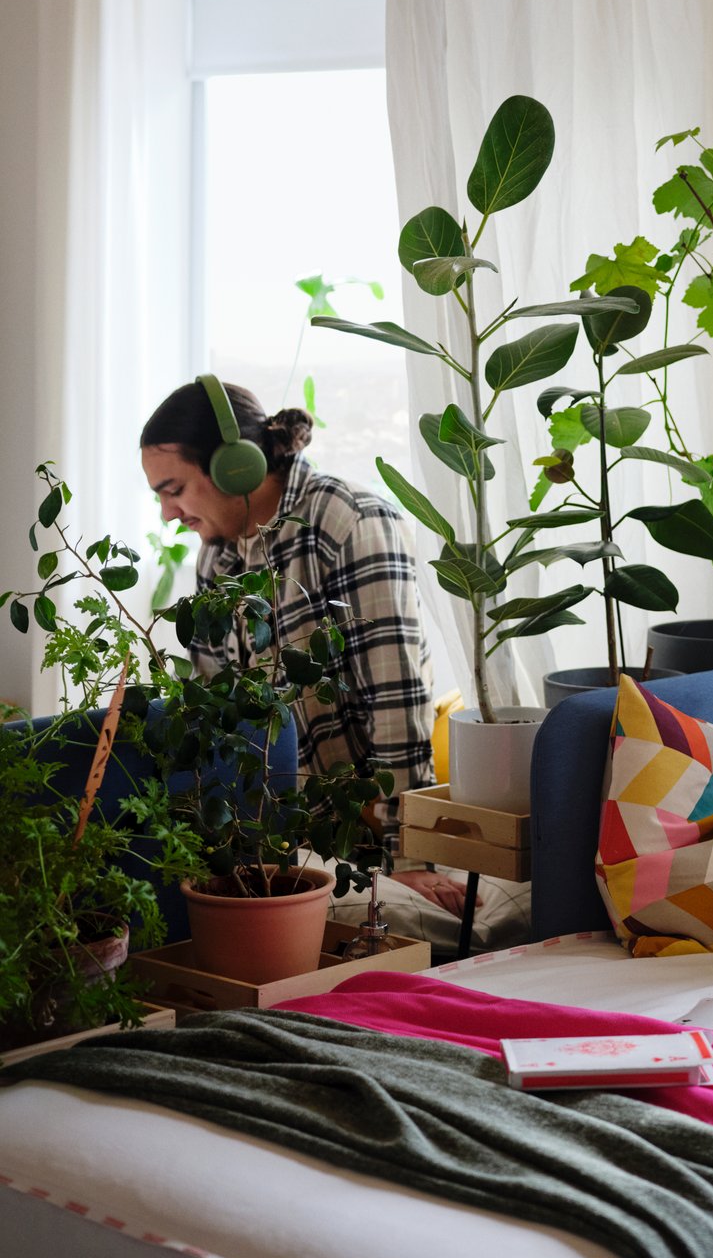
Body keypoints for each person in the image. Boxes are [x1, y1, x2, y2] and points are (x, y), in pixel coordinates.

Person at [139, 377, 467, 916]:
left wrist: (410, 858)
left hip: (370, 846)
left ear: (232, 465)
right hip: (277, 843)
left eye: (173, 490)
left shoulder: (351, 524)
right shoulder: (217, 558)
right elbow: (216, 716)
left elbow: (397, 702)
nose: (168, 515)